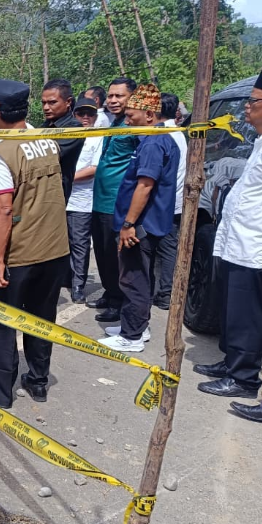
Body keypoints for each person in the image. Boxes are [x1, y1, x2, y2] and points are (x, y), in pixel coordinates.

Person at [0, 79, 70, 408]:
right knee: (42, 318)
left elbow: (5, 209)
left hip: (21, 252)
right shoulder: (44, 140)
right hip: (55, 248)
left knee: (4, 321)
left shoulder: (2, 152)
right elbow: (30, 190)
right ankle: (38, 381)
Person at [194, 70, 262, 421]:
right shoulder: (259, 142)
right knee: (233, 310)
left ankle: (244, 378)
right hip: (239, 242)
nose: (246, 108)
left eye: (252, 102)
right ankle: (233, 361)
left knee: (249, 315)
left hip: (255, 247)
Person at [97, 84, 179, 352]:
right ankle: (137, 326)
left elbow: (144, 186)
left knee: (133, 280)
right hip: (145, 223)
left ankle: (131, 336)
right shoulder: (157, 139)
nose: (128, 120)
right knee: (141, 277)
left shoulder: (153, 143)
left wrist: (128, 224)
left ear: (149, 114)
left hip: (140, 226)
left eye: (131, 116)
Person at [88, 77, 138, 322]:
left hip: (117, 202)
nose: (113, 100)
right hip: (100, 200)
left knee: (117, 257)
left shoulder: (137, 127)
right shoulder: (114, 122)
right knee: (102, 253)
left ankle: (120, 302)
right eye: (110, 96)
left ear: (132, 98)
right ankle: (110, 293)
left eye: (119, 96)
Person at [151, 93, 187, 310]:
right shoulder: (178, 133)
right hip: (173, 201)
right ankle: (164, 292)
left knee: (165, 249)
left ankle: (165, 293)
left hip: (165, 202)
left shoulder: (162, 135)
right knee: (167, 249)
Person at [66, 97, 103, 304]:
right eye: (81, 113)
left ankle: (78, 285)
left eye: (90, 114)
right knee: (59, 242)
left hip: (82, 201)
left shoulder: (98, 138)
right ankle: (64, 278)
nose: (86, 117)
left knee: (79, 244)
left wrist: (66, 178)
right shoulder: (66, 134)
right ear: (74, 114)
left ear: (96, 117)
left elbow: (93, 169)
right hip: (60, 197)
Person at [42, 79, 84, 201]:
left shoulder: (74, 128)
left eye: (52, 102)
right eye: (43, 103)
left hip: (56, 193)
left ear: (68, 102)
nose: (46, 107)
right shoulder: (45, 126)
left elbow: (47, 155)